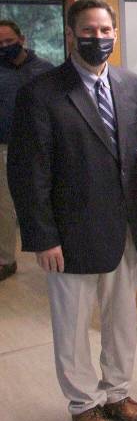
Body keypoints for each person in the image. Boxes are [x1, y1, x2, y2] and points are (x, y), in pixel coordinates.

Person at [8, 0, 137, 421]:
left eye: (105, 31)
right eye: (88, 31)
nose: (97, 38)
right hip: (69, 233)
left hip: (125, 228)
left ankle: (117, 394)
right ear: (69, 34)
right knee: (73, 326)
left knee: (122, 320)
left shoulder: (132, 84)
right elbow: (28, 171)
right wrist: (42, 236)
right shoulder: (40, 92)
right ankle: (83, 405)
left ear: (115, 33)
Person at [0, 19, 54, 281]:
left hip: (42, 146)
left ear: (21, 39)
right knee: (4, 205)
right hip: (5, 145)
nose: (4, 47)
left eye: (8, 41)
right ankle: (6, 260)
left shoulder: (44, 69)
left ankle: (56, 249)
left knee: (45, 198)